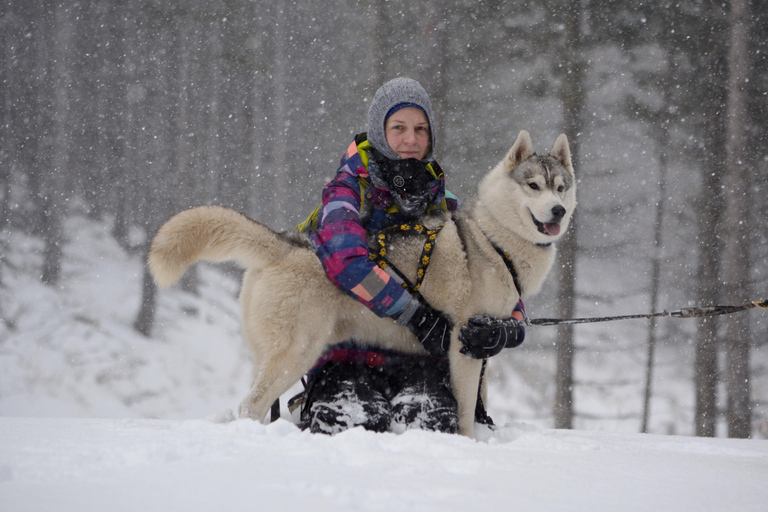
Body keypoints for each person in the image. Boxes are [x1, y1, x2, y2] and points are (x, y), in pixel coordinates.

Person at [298, 77, 524, 435]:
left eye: (421, 129)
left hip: (423, 363)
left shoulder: (445, 202)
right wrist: (414, 314)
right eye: (398, 128)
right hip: (346, 355)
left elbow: (491, 272)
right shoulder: (347, 189)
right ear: (378, 132)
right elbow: (345, 260)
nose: (411, 140)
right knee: (351, 431)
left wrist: (510, 326)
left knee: (432, 434)